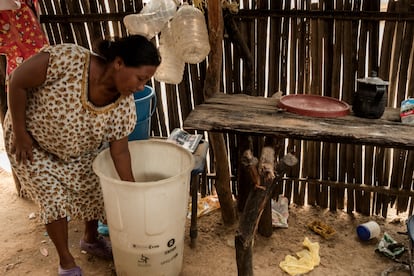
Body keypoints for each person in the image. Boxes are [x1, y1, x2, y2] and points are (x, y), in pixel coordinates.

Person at [2, 34, 161, 276]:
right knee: (53, 200)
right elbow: (17, 81)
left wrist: (131, 190)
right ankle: (66, 263)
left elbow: (119, 153)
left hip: (79, 150)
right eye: (140, 78)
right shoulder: (68, 60)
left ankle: (90, 239)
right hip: (33, 144)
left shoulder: (124, 106)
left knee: (96, 186)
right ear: (119, 63)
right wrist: (21, 133)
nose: (140, 87)